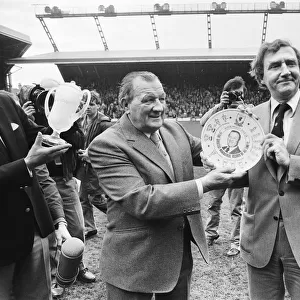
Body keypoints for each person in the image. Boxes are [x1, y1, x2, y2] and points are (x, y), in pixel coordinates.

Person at [88, 71, 243, 299]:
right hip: (133, 265)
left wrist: (243, 126)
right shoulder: (107, 145)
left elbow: (213, 149)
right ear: (124, 104)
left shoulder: (174, 129)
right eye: (148, 100)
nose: (159, 107)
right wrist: (203, 184)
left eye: (162, 98)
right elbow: (141, 201)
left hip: (177, 257)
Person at [203, 39, 300, 299]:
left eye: (291, 63)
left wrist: (292, 161)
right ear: (262, 77)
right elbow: (249, 174)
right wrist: (223, 171)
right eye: (275, 66)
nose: (285, 71)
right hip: (260, 240)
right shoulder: (250, 118)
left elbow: (287, 166)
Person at [18, 83, 96, 298]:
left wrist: (69, 120)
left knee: (76, 228)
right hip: (42, 180)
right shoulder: (32, 120)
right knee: (52, 233)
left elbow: (76, 141)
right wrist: (29, 120)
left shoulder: (66, 117)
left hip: (65, 179)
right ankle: (57, 277)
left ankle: (77, 266)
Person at [0, 91, 71, 299]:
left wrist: (62, 122)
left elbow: (37, 137)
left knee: (39, 296)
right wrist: (25, 165)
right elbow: (29, 161)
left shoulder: (4, 101)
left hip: (32, 230)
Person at [200, 76, 246, 256]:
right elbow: (203, 122)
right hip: (218, 166)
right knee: (213, 203)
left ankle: (236, 241)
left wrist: (241, 108)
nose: (237, 96)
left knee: (236, 207)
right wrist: (221, 105)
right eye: (234, 93)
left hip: (237, 167)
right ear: (225, 94)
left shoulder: (247, 111)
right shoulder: (219, 110)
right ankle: (210, 234)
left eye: (240, 93)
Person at [78, 90, 112, 239]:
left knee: (95, 198)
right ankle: (90, 227)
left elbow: (111, 145)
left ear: (98, 105)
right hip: (82, 166)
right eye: (87, 104)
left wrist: (91, 154)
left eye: (92, 104)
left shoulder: (104, 123)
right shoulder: (81, 120)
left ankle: (119, 215)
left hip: (95, 166)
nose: (89, 107)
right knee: (82, 197)